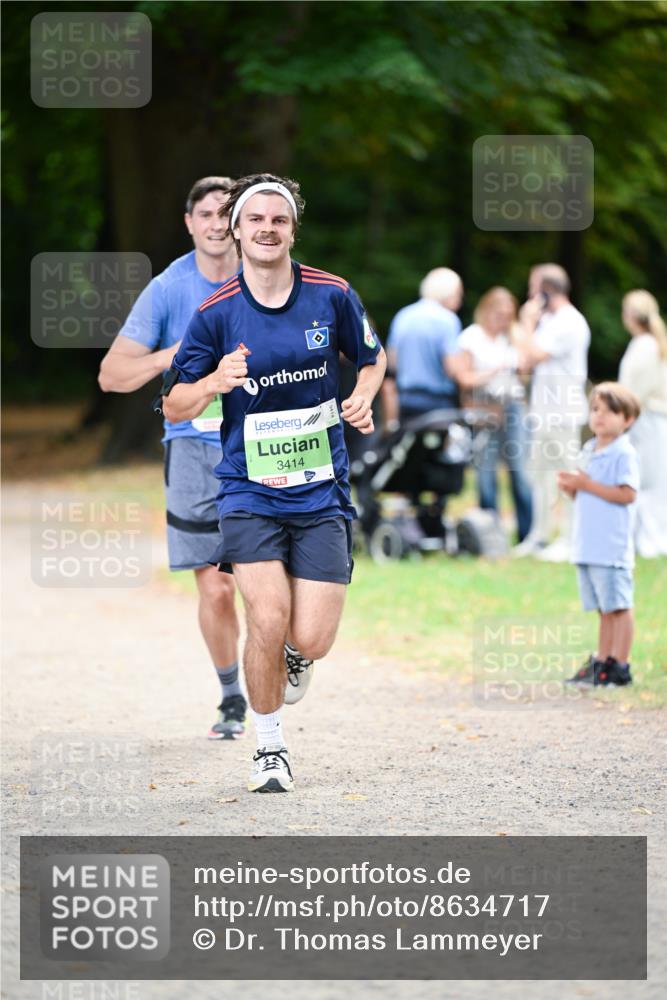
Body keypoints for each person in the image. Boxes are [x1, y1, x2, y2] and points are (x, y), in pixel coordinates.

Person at [163, 172, 386, 793]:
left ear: (292, 229)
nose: (267, 229)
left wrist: (362, 395)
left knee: (309, 636)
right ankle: (269, 747)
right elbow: (174, 404)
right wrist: (214, 383)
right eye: (254, 220)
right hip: (248, 489)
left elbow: (371, 357)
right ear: (234, 231)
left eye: (278, 220)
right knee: (266, 613)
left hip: (320, 490)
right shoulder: (214, 314)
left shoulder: (331, 295)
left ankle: (293, 658)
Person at [98, 177, 246, 740]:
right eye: (204, 213)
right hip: (191, 451)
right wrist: (174, 353)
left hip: (258, 446)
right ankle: (232, 696)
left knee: (268, 579)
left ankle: (282, 658)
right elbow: (111, 376)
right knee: (216, 586)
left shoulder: (263, 277)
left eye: (224, 214)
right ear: (189, 222)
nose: (214, 223)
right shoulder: (167, 288)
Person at [560, 383, 640, 687]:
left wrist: (586, 485)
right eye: (595, 410)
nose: (600, 417)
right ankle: (602, 660)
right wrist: (570, 488)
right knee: (603, 608)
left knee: (619, 606)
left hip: (611, 545)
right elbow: (584, 494)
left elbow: (627, 494)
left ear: (628, 419)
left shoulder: (624, 453)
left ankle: (621, 664)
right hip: (588, 543)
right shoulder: (588, 449)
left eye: (610, 412)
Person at [515, 263, 590, 561]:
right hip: (544, 411)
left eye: (534, 288)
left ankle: (571, 538)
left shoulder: (569, 322)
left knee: (566, 474)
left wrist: (526, 322)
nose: (530, 295)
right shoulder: (550, 322)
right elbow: (523, 362)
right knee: (541, 477)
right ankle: (540, 535)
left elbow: (532, 353)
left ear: (546, 291)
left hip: (563, 411)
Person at [451, 287, 533, 542]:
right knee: (485, 473)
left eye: (509, 314)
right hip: (483, 407)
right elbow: (464, 379)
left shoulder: (513, 337)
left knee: (519, 471)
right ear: (486, 311)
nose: (504, 319)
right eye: (499, 313)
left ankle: (527, 534)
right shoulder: (471, 338)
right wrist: (495, 371)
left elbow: (526, 373)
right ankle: (491, 535)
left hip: (513, 407)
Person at [618, 290, 667, 557]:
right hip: (645, 419)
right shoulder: (646, 343)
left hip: (646, 419)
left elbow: (638, 390)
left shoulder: (646, 346)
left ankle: (650, 539)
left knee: (648, 480)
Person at [385, 267, 462, 421]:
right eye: (458, 293)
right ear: (448, 292)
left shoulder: (403, 315)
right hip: (437, 403)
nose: (460, 299)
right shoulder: (448, 320)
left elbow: (392, 362)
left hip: (405, 400)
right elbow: (452, 369)